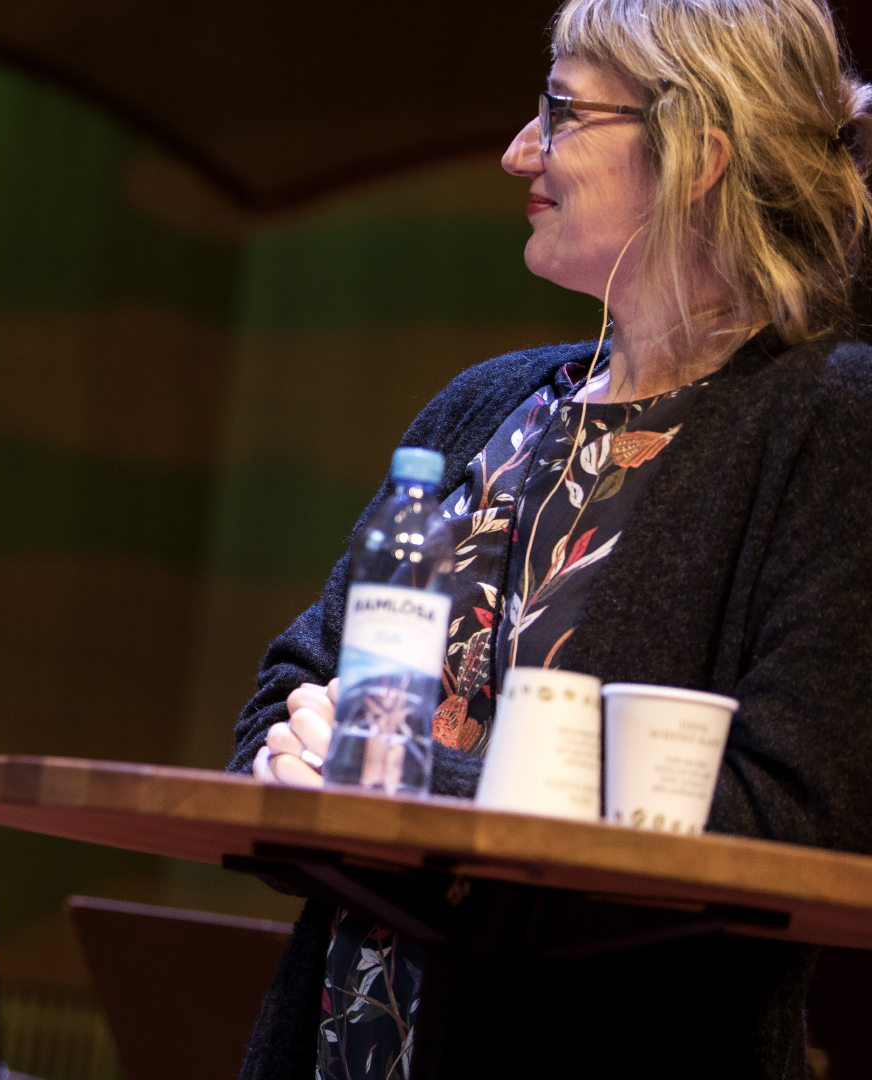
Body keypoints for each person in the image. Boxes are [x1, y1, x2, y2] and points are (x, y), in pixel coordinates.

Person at [228, 0, 872, 1077]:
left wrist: (409, 783)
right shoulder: (485, 406)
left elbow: (794, 816)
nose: (520, 151)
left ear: (699, 154)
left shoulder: (831, 424)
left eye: (563, 113)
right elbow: (287, 691)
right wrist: (299, 755)